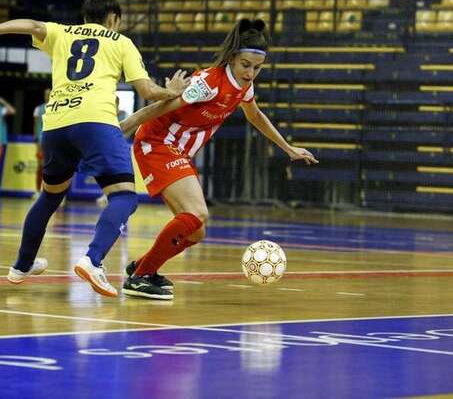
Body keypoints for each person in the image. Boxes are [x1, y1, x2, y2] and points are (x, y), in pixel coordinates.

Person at [0, 0, 189, 297]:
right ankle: (93, 260)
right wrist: (171, 91)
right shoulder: (121, 42)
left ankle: (22, 265)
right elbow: (147, 91)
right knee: (124, 197)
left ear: (85, 17)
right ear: (113, 19)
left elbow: (32, 25)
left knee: (50, 196)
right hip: (95, 121)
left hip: (55, 124)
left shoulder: (64, 33)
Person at [119, 18, 318, 299]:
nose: (250, 73)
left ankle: (141, 267)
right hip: (158, 142)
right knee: (198, 213)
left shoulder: (244, 87)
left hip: (178, 151)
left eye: (257, 68)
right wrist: (124, 127)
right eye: (245, 65)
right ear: (233, 58)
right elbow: (162, 107)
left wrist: (287, 148)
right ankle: (140, 277)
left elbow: (255, 115)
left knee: (196, 232)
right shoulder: (208, 82)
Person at [32, 87, 51, 197]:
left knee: (53, 166)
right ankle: (37, 190)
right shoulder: (38, 109)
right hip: (41, 140)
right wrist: (36, 139)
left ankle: (50, 191)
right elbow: (36, 125)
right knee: (40, 165)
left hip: (53, 141)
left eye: (49, 94)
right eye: (45, 94)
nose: (47, 96)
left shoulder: (58, 107)